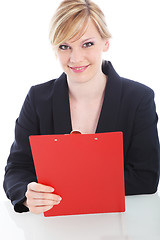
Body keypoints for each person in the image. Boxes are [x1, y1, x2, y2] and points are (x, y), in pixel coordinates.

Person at [3, 0, 160, 215]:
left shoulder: (138, 98)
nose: (76, 58)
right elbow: (17, 168)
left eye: (87, 44)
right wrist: (27, 192)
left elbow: (146, 178)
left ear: (105, 42)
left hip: (121, 224)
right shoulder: (37, 99)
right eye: (64, 46)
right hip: (54, 227)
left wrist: (69, 185)